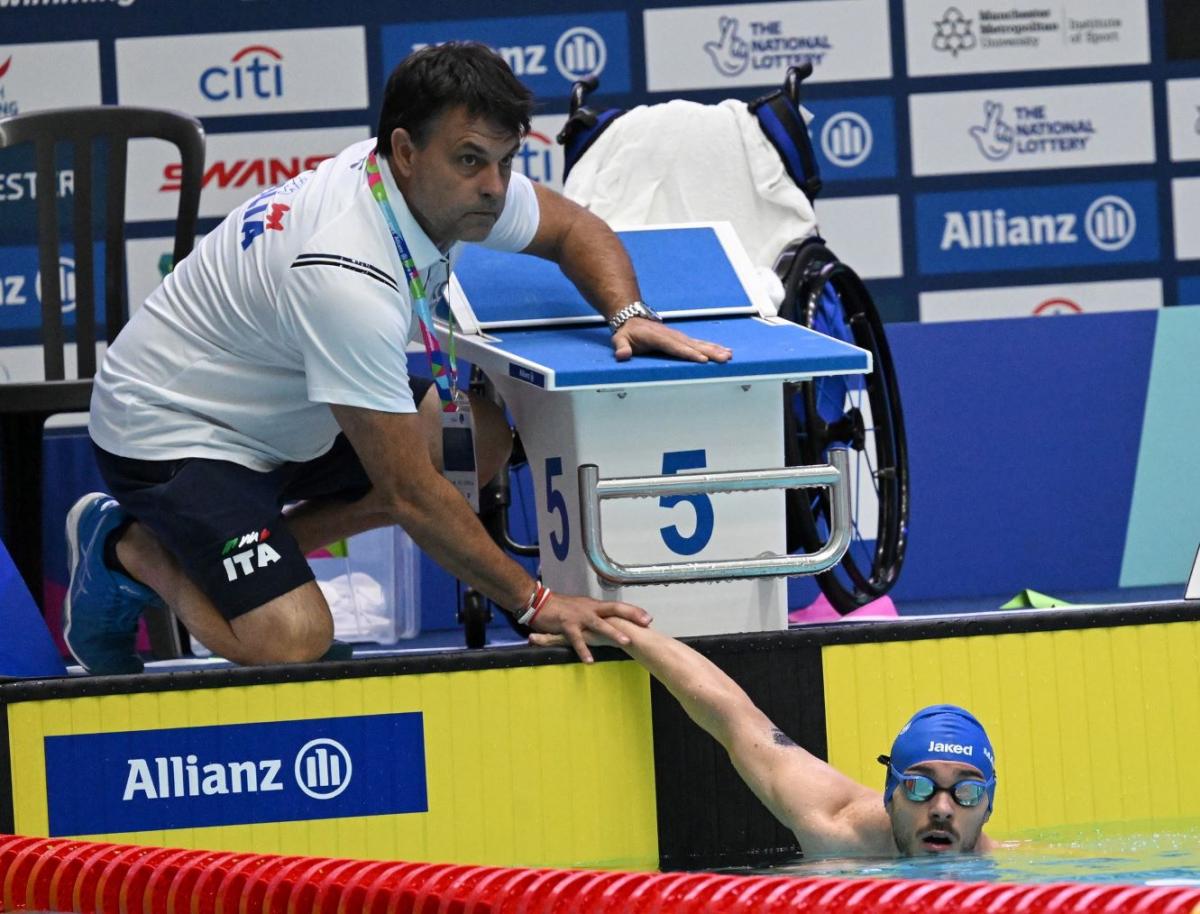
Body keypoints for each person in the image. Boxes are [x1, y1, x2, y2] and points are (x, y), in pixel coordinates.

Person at [64, 42, 733, 676]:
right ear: (406, 151)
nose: (496, 187)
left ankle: (256, 556)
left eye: (505, 161)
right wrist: (539, 604)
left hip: (290, 408)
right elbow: (409, 496)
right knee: (293, 636)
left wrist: (628, 314)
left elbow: (573, 229)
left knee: (480, 440)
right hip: (177, 432)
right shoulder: (345, 273)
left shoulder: (433, 185)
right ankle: (128, 549)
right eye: (472, 161)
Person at [533, 619, 997, 857]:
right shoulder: (831, 825)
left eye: (967, 792)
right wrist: (621, 634)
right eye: (918, 785)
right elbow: (733, 716)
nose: (941, 808)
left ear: (988, 807)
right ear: (889, 793)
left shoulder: (1017, 884)